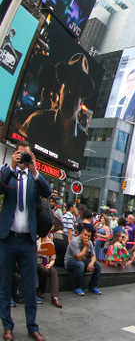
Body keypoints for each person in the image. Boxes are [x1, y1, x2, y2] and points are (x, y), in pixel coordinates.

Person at [0, 142, 52, 341]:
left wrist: (35, 170)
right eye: (20, 155)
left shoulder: (34, 178)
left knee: (30, 286)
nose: (23, 159)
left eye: (26, 155)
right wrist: (11, 167)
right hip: (7, 239)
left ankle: (32, 326)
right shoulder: (8, 173)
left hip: (28, 242)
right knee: (5, 285)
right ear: (15, 155)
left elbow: (47, 192)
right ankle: (7, 326)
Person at [23, 53, 95, 165]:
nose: (70, 93)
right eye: (68, 85)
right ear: (61, 90)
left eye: (77, 89)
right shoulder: (36, 121)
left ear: (82, 101)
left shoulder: (83, 142)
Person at [64, 225, 102, 296]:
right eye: (85, 235)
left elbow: (93, 256)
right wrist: (85, 247)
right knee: (80, 264)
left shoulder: (89, 242)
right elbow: (79, 258)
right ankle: (77, 287)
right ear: (81, 234)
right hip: (70, 262)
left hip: (82, 261)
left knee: (98, 266)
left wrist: (91, 263)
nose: (86, 237)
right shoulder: (74, 241)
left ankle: (93, 286)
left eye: (88, 236)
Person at [36, 232, 61, 309]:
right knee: (44, 270)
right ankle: (40, 291)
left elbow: (52, 258)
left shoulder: (50, 243)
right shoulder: (37, 241)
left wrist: (50, 264)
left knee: (53, 272)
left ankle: (55, 297)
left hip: (46, 263)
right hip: (37, 262)